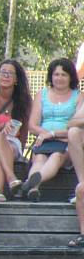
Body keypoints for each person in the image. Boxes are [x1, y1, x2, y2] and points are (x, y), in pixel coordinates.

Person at [20, 57, 82, 201]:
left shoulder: (79, 97)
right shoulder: (42, 94)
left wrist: (52, 134)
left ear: (70, 77)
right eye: (56, 74)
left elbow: (78, 128)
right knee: (39, 159)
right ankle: (33, 189)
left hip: (67, 142)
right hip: (44, 140)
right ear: (51, 76)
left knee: (56, 156)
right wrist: (46, 135)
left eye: (64, 74)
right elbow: (32, 125)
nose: (59, 78)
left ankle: (33, 182)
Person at [0, 59, 32, 197]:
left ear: (16, 79)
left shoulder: (24, 100)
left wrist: (20, 148)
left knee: (6, 146)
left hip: (13, 142)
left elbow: (25, 130)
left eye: (10, 73)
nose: (6, 76)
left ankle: (0, 192)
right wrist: (3, 125)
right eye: (3, 72)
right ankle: (11, 179)